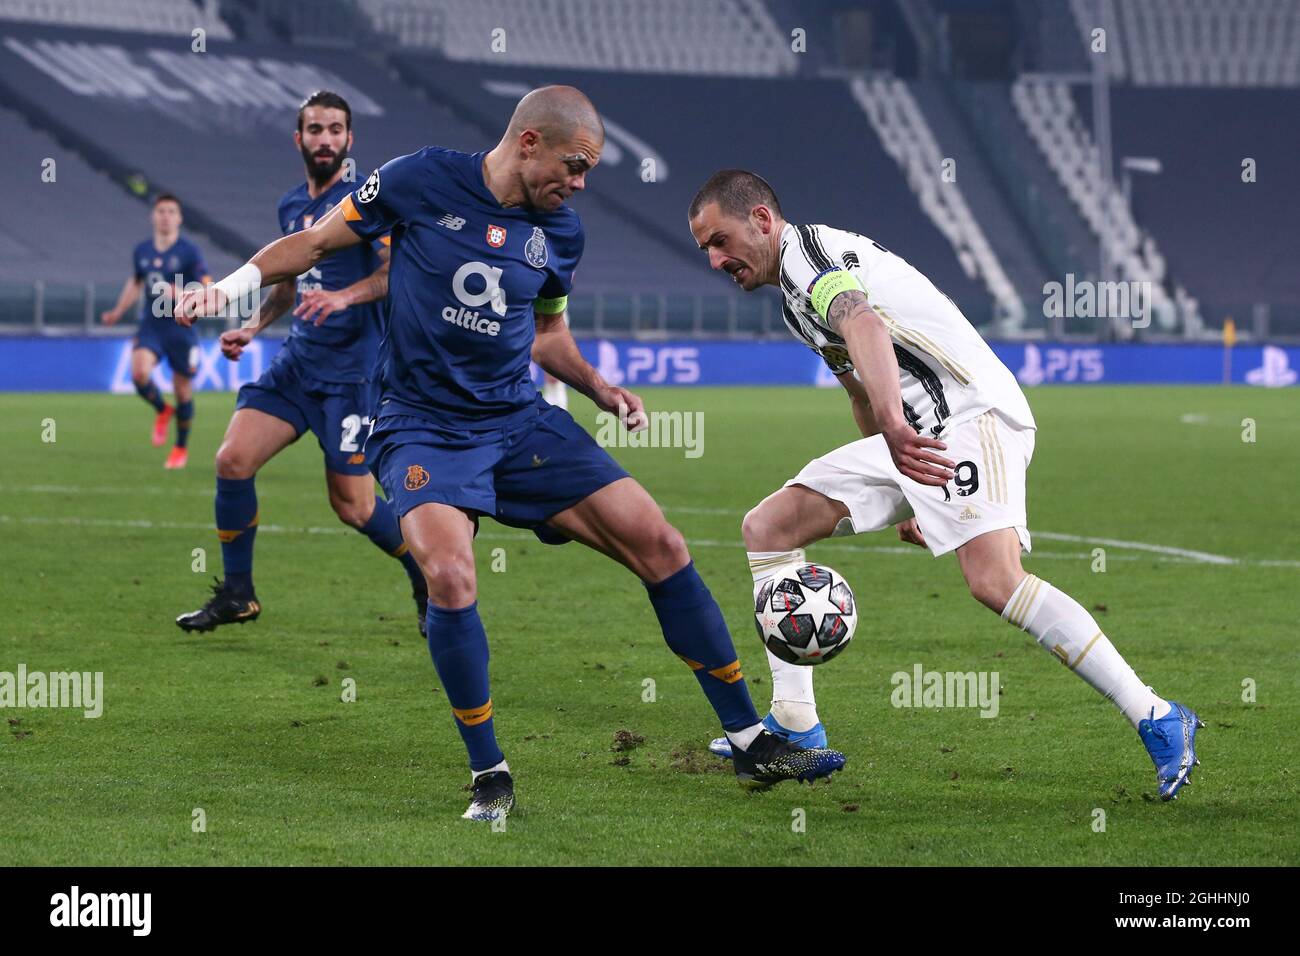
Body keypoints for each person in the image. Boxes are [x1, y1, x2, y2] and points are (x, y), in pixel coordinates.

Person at [173, 88, 846, 822]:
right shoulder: (419, 179)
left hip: (519, 424)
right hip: (422, 428)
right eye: (575, 164)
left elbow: (548, 335)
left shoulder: (560, 232)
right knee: (451, 576)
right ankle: (490, 772)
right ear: (529, 142)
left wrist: (597, 388)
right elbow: (311, 245)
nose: (581, 182)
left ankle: (749, 737)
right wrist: (229, 289)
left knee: (661, 541)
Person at [687, 168, 1202, 801]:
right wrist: (900, 468)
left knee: (994, 580)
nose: (714, 260)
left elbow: (866, 326)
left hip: (970, 415)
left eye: (720, 240)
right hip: (919, 437)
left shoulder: (812, 260)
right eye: (704, 249)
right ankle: (796, 723)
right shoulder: (796, 304)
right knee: (768, 526)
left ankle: (1155, 713)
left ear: (762, 221)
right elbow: (860, 387)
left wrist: (897, 432)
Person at [175, 91, 427, 637]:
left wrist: (344, 298)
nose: (325, 140)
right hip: (297, 364)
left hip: (352, 375)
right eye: (315, 129)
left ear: (349, 140)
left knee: (354, 507)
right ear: (300, 139)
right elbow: (288, 284)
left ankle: (425, 572)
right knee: (232, 461)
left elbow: (393, 275)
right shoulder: (292, 205)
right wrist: (254, 325)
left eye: (335, 130)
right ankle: (239, 595)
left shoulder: (364, 202)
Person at [101, 194, 210, 469]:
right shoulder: (142, 251)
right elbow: (136, 283)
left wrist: (181, 292)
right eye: (161, 211)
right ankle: (163, 410)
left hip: (182, 327)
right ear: (153, 216)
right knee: (138, 374)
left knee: (183, 390)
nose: (166, 216)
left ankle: (180, 448)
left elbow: (208, 288)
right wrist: (118, 310)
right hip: (152, 324)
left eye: (171, 211)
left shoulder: (189, 251)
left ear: (179, 218)